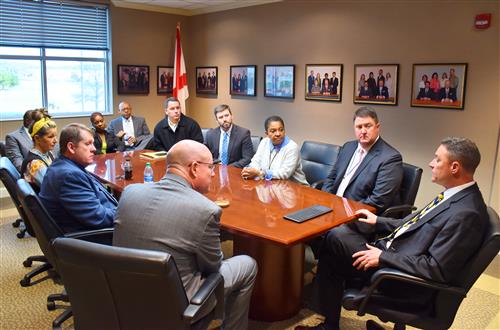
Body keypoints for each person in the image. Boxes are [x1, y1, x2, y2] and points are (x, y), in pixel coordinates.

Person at [301, 137, 488, 330]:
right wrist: (378, 221)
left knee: (336, 236)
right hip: (394, 254)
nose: (431, 163)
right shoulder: (455, 195)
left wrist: (383, 257)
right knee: (334, 248)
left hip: (397, 277)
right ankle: (329, 322)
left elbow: (436, 269)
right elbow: (414, 223)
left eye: (437, 159)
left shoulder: (467, 213)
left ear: (455, 167)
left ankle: (327, 322)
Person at [113, 140, 257, 330]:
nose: (213, 173)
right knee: (247, 264)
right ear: (195, 168)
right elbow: (213, 266)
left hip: (124, 295)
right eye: (211, 167)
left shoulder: (130, 192)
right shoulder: (205, 210)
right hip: (177, 306)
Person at [322, 107, 403, 215]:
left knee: (325, 231)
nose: (363, 131)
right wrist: (327, 201)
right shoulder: (348, 147)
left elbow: (378, 200)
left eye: (368, 126)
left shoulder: (390, 158)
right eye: (359, 127)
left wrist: (345, 210)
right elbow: (331, 178)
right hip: (332, 208)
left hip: (358, 216)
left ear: (377, 127)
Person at [39, 123, 118, 233]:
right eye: (88, 144)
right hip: (96, 238)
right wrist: (127, 213)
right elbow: (99, 218)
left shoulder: (66, 165)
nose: (94, 149)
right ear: (71, 147)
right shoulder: (69, 176)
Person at [241, 115, 308, 185]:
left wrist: (260, 173)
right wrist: (249, 170)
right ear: (267, 134)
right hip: (273, 185)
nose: (278, 134)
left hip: (296, 188)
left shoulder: (292, 147)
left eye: (281, 129)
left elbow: (284, 173)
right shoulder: (264, 142)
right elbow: (256, 161)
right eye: (273, 131)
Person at [21, 114, 57, 193]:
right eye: (50, 137)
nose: (55, 141)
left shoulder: (49, 153)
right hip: (47, 203)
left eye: (55, 136)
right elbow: (52, 189)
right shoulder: (35, 164)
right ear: (37, 138)